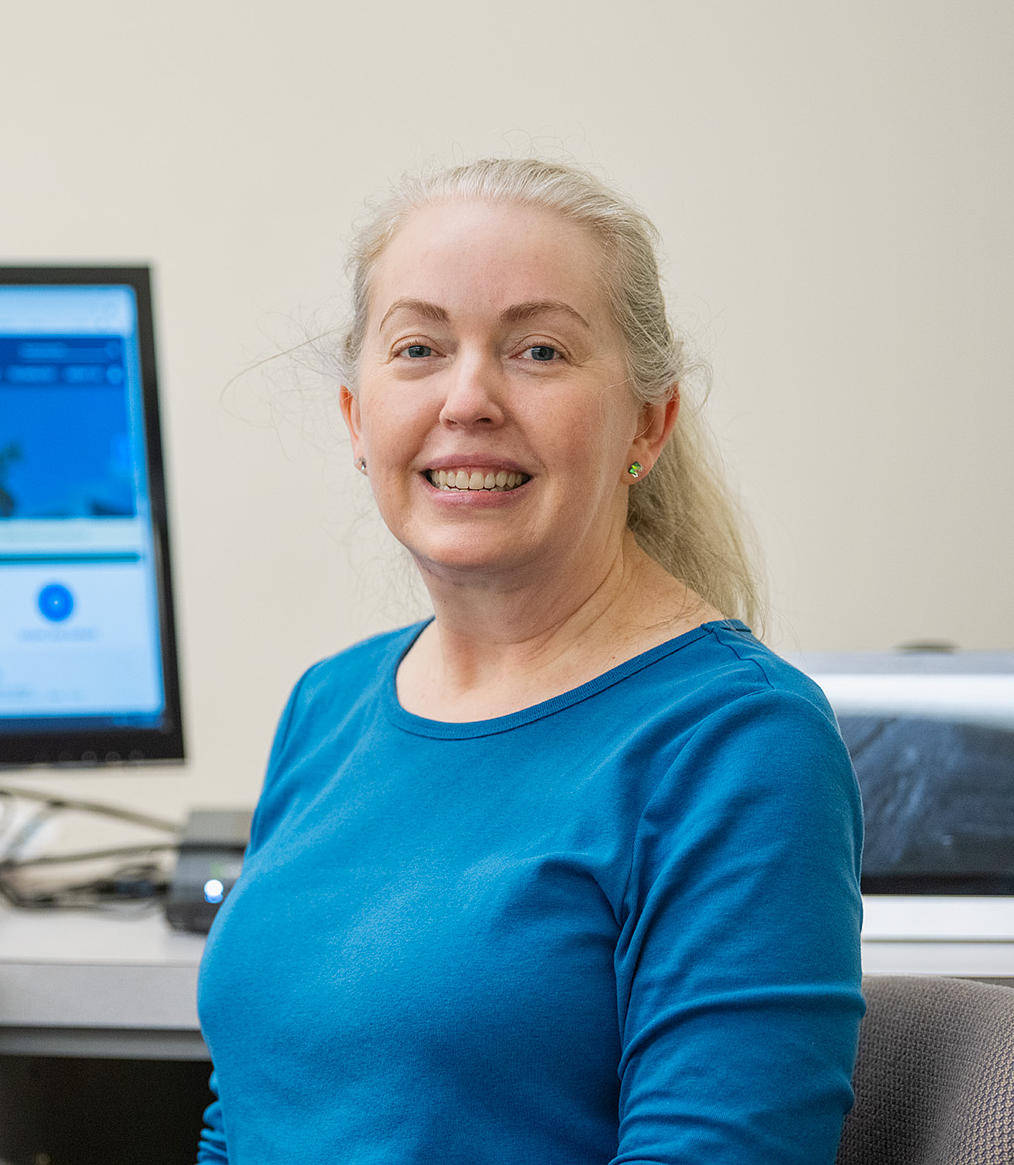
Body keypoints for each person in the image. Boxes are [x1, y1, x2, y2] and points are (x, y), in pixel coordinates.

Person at [194, 159, 863, 1164]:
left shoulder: (740, 743)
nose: (468, 397)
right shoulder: (328, 705)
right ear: (356, 417)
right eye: (419, 347)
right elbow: (245, 1119)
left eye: (538, 349)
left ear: (649, 422)